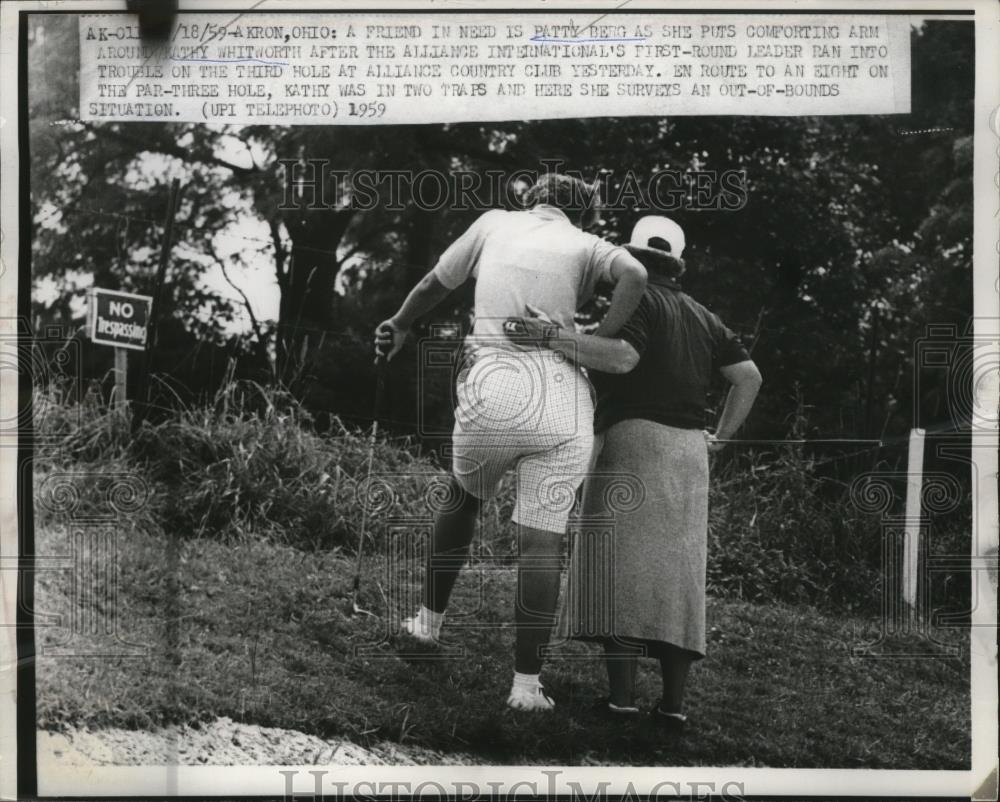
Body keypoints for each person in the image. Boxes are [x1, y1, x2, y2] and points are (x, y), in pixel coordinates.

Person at [373, 173, 647, 711]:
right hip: (564, 393)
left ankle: (427, 625)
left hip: (493, 380)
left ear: (530, 199)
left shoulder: (494, 223)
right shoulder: (589, 244)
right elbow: (635, 274)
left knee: (463, 499)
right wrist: (596, 339)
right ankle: (525, 688)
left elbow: (433, 284)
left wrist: (401, 323)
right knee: (542, 544)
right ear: (584, 213)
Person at [503, 216, 762, 730]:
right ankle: (673, 705)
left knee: (620, 569)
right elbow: (748, 377)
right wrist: (722, 438)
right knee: (678, 579)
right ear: (678, 261)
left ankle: (621, 699)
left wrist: (553, 338)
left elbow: (617, 358)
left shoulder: (638, 300)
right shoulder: (704, 316)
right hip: (691, 451)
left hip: (634, 441)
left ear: (634, 255)